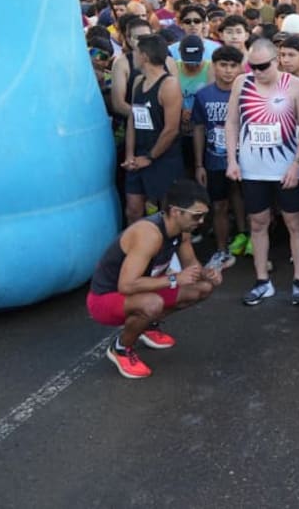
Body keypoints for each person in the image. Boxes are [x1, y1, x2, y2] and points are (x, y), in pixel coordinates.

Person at [86, 180, 223, 379]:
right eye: (196, 215)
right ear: (176, 212)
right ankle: (121, 348)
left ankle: (146, 326)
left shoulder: (182, 231)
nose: (201, 221)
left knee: (203, 288)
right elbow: (126, 285)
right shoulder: (149, 234)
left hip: (142, 290)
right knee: (152, 304)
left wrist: (208, 273)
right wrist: (175, 279)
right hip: (105, 299)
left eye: (203, 215)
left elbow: (192, 268)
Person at [225, 38, 299, 305]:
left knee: (294, 224)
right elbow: (231, 122)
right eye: (252, 66)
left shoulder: (295, 85)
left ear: (277, 61)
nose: (257, 72)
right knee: (258, 223)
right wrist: (232, 160)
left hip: (285, 168)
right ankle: (262, 280)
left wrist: (297, 164)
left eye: (263, 66)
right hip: (253, 170)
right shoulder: (242, 82)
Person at [192, 45, 245, 271]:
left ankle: (248, 240)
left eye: (233, 66)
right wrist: (199, 164)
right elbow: (198, 129)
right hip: (214, 160)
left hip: (245, 160)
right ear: (214, 67)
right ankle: (222, 250)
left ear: (240, 68)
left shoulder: (247, 93)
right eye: (223, 65)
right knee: (219, 205)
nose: (228, 71)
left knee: (245, 201)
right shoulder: (204, 95)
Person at [122, 33, 183, 224]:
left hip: (163, 157)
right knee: (133, 209)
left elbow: (171, 129)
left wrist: (149, 158)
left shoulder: (169, 85)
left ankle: (168, 251)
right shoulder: (139, 82)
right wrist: (130, 155)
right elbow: (133, 118)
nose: (133, 56)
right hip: (139, 155)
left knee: (167, 212)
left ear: (145, 56)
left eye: (136, 52)